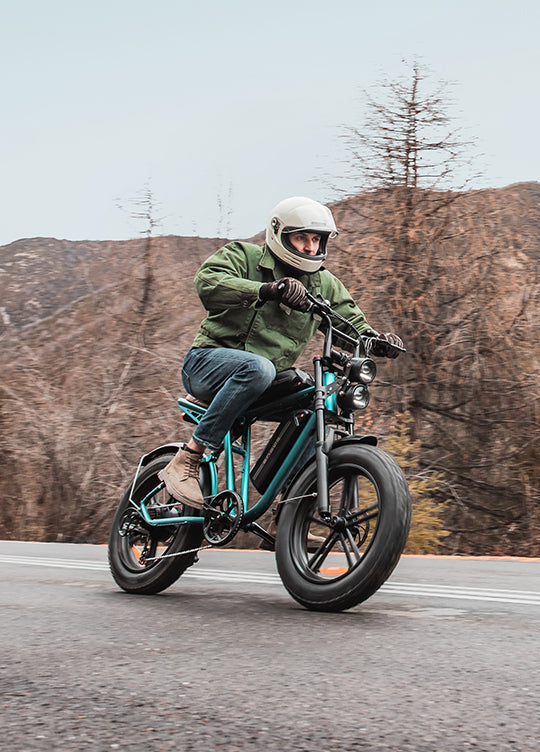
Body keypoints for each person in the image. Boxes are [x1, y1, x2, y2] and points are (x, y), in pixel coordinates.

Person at [158, 196, 403, 508]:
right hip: (208, 364)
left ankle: (291, 511)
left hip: (265, 383)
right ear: (279, 234)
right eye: (301, 238)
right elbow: (208, 282)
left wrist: (373, 340)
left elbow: (350, 323)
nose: (310, 248)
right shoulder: (244, 256)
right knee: (258, 368)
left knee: (315, 401)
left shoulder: (323, 284)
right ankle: (187, 459)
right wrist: (267, 290)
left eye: (316, 240)